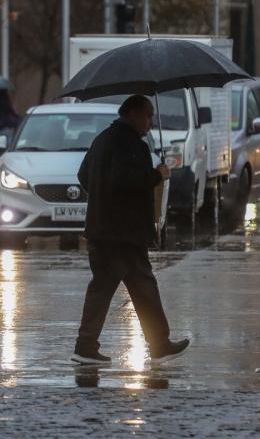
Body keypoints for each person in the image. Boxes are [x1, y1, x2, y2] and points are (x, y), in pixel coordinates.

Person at [72, 94, 190, 366]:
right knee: (142, 285)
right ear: (133, 113)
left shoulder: (103, 139)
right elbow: (124, 180)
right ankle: (158, 344)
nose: (150, 123)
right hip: (123, 234)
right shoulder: (129, 144)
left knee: (110, 287)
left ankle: (86, 346)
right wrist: (156, 175)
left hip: (103, 230)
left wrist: (101, 199)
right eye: (148, 116)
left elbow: (84, 176)